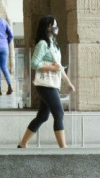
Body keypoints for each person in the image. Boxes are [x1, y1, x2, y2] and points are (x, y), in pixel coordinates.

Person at [18, 15, 76, 148]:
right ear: (47, 27)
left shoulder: (54, 45)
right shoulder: (43, 44)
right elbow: (34, 64)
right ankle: (63, 148)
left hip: (53, 83)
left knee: (43, 116)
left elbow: (59, 67)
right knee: (59, 113)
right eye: (53, 24)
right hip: (45, 84)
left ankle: (22, 144)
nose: (56, 27)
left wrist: (68, 83)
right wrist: (52, 67)